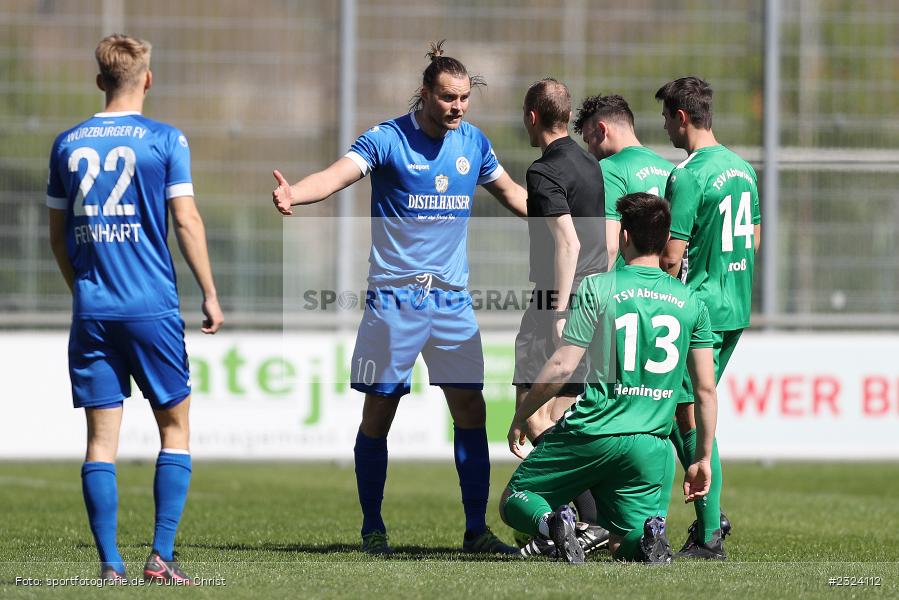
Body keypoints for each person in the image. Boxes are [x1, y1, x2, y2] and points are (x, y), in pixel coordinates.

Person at [271, 41, 527, 555]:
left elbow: (516, 195)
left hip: (452, 302)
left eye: (464, 98)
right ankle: (372, 528)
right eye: (448, 97)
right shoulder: (387, 139)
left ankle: (476, 531)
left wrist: (571, 216)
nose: (457, 107)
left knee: (471, 411)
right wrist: (295, 192)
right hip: (394, 303)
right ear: (425, 94)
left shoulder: (474, 143)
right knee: (378, 414)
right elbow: (336, 175)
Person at [46, 34, 223, 582]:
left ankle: (109, 564)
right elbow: (187, 221)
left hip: (93, 308)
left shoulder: (66, 143)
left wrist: (84, 293)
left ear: (100, 81)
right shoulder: (166, 140)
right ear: (148, 79)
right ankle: (160, 557)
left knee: (100, 440)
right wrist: (210, 293)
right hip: (152, 307)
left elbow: (56, 237)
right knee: (175, 426)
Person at [499, 192, 718, 564]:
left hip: (593, 432)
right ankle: (649, 537)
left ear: (624, 237)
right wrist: (702, 457)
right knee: (624, 547)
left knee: (515, 501)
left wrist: (523, 415)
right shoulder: (690, 302)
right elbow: (705, 391)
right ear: (665, 240)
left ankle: (552, 523)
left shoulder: (599, 288)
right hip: (651, 446)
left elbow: (563, 366)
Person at [656, 76, 761, 559]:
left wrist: (663, 297)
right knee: (689, 408)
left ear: (681, 117)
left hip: (700, 309)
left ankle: (710, 530)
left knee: (686, 411)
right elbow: (754, 240)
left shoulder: (689, 173)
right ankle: (711, 516)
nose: (665, 129)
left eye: (666, 119)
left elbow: (671, 256)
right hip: (735, 305)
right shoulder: (743, 169)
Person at [512, 78, 609, 557]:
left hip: (559, 299)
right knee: (563, 417)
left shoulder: (543, 171)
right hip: (594, 298)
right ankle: (584, 521)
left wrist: (556, 308)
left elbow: (567, 243)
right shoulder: (590, 163)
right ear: (567, 117)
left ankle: (585, 521)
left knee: (531, 416)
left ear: (532, 116)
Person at [573, 94, 675, 271]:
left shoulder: (609, 168)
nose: (589, 151)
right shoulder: (670, 170)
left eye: (588, 140)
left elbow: (609, 247)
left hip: (623, 290)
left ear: (602, 130)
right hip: (663, 288)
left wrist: (596, 291)